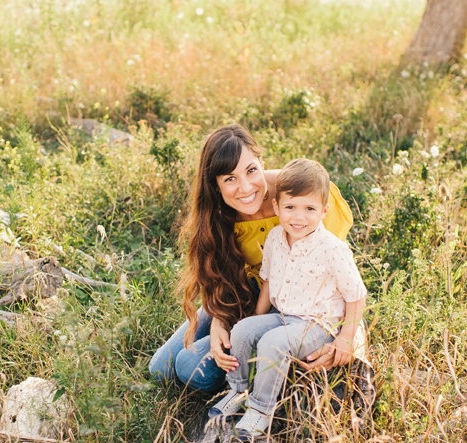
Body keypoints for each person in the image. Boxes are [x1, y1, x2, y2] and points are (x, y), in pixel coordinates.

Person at [148, 125, 355, 393]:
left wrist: (346, 336)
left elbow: (345, 273)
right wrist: (219, 323)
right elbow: (219, 277)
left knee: (189, 368)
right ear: (216, 185)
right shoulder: (216, 212)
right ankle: (245, 357)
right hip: (238, 291)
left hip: (291, 300)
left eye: (251, 170)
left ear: (261, 162)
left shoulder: (301, 194)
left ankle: (258, 368)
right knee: (160, 369)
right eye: (229, 179)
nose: (245, 188)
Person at [207, 158, 367, 438]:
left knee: (273, 342)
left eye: (309, 209)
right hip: (282, 315)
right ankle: (238, 390)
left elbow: (356, 295)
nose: (299, 217)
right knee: (243, 329)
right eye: (290, 207)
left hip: (318, 325)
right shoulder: (275, 238)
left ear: (323, 211)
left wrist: (346, 338)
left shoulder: (333, 248)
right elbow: (267, 282)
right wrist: (257, 318)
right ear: (277, 207)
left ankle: (261, 409)